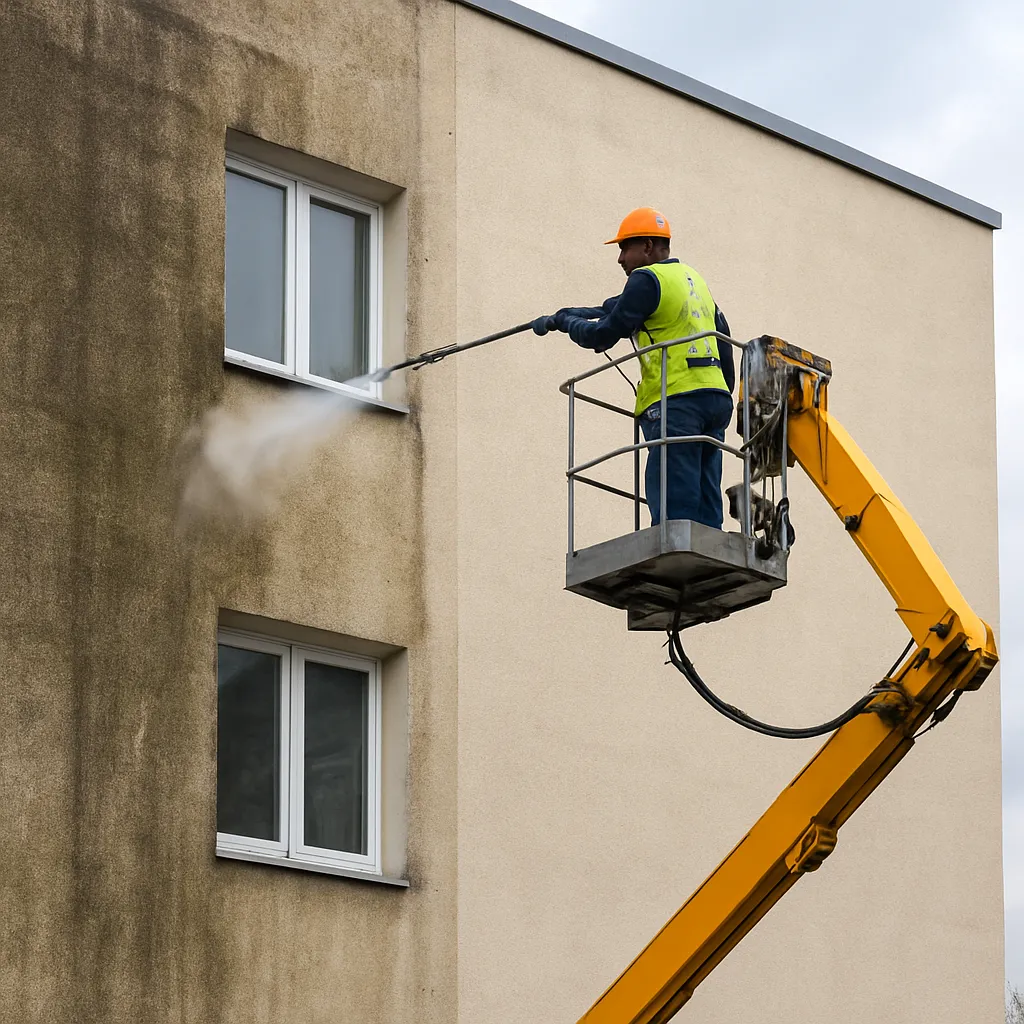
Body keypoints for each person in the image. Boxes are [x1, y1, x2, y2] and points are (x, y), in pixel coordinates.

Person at [534, 207, 735, 529]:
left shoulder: (647, 279)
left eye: (624, 248)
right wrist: (564, 316)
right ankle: (709, 544)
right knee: (704, 486)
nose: (620, 259)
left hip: (676, 399)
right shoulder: (692, 280)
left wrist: (568, 322)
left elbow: (601, 335)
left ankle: (675, 550)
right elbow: (724, 341)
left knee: (672, 489)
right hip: (714, 399)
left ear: (647, 247)